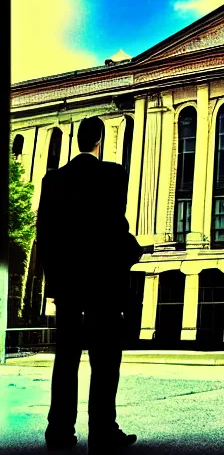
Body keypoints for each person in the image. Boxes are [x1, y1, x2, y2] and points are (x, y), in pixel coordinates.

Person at [37, 116, 143, 452]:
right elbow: (116, 224)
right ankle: (102, 431)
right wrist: (131, 251)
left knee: (65, 357)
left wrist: (52, 282)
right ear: (99, 140)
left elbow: (45, 235)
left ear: (77, 139)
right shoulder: (113, 174)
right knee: (105, 358)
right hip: (104, 283)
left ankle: (59, 432)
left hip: (68, 284)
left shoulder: (53, 181)